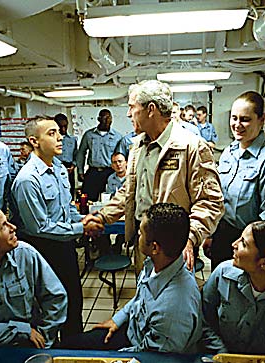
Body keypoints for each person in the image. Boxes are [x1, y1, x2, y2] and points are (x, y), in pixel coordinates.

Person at [86, 80, 224, 274]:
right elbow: (130, 192)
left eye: (132, 107)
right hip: (142, 244)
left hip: (173, 249)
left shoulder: (191, 146)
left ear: (151, 109)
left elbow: (210, 202)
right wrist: (102, 216)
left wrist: (190, 237)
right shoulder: (137, 147)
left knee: (171, 302)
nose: (128, 113)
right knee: (147, 298)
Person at [62, 203, 202, 353]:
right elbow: (140, 299)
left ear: (154, 247)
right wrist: (118, 320)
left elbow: (151, 357)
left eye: (141, 233)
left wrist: (113, 357)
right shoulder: (159, 263)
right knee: (67, 346)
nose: (138, 235)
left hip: (141, 349)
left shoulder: (173, 311)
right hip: (133, 330)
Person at [11, 116, 104, 339]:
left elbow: (66, 208)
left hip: (64, 247)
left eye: (58, 132)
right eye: (51, 133)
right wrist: (81, 229)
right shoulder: (27, 180)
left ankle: (75, 349)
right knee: (49, 309)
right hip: (42, 252)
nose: (60, 137)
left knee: (73, 304)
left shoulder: (59, 168)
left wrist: (84, 221)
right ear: (34, 141)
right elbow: (39, 227)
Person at [0, 203, 67, 348]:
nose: (13, 227)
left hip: (32, 345)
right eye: (4, 226)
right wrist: (19, 330)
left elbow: (56, 297)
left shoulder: (25, 254)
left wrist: (44, 338)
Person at [205, 91, 265, 270]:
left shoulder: (262, 159)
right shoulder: (229, 153)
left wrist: (245, 242)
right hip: (222, 234)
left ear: (262, 120)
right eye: (234, 118)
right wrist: (210, 234)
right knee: (221, 285)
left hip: (251, 243)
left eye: (245, 119)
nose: (237, 125)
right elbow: (219, 199)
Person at [202, 220, 265, 354]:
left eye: (244, 243)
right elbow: (204, 320)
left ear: (263, 264)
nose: (234, 244)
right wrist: (222, 353)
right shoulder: (223, 273)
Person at [76, 109, 122, 201]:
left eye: (110, 119)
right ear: (99, 119)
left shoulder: (117, 137)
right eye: (105, 118)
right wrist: (80, 171)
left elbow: (120, 157)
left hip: (109, 172)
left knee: (109, 200)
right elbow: (81, 153)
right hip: (93, 172)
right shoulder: (89, 135)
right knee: (87, 199)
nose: (108, 121)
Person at [54, 113, 77, 198]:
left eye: (65, 126)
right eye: (60, 126)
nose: (63, 129)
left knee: (70, 191)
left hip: (69, 168)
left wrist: (73, 165)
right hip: (56, 168)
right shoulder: (52, 140)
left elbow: (76, 154)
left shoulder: (72, 139)